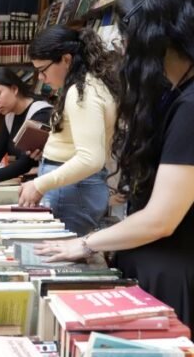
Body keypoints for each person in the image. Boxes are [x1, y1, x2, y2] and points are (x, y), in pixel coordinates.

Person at [36, 0, 194, 357]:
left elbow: (161, 219)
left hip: (180, 280)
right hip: (166, 268)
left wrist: (83, 243)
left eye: (127, 35)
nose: (123, 46)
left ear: (155, 34)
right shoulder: (184, 93)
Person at [18, 25, 120, 235]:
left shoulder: (82, 93)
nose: (41, 78)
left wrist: (39, 185)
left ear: (66, 59)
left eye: (43, 70)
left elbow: (90, 159)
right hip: (72, 187)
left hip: (73, 190)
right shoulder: (88, 85)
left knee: (62, 249)